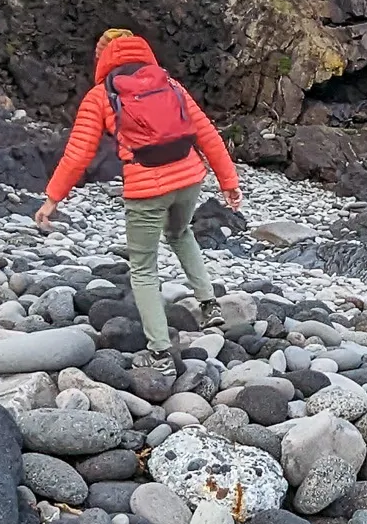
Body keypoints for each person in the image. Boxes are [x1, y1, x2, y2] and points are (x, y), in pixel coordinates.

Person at [33, 30, 240, 354]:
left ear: (102, 56)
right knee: (180, 232)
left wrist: (52, 199)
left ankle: (159, 352)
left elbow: (78, 155)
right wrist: (229, 183)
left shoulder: (101, 95)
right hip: (190, 178)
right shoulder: (170, 84)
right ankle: (209, 304)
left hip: (147, 187)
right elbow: (207, 134)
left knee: (143, 267)